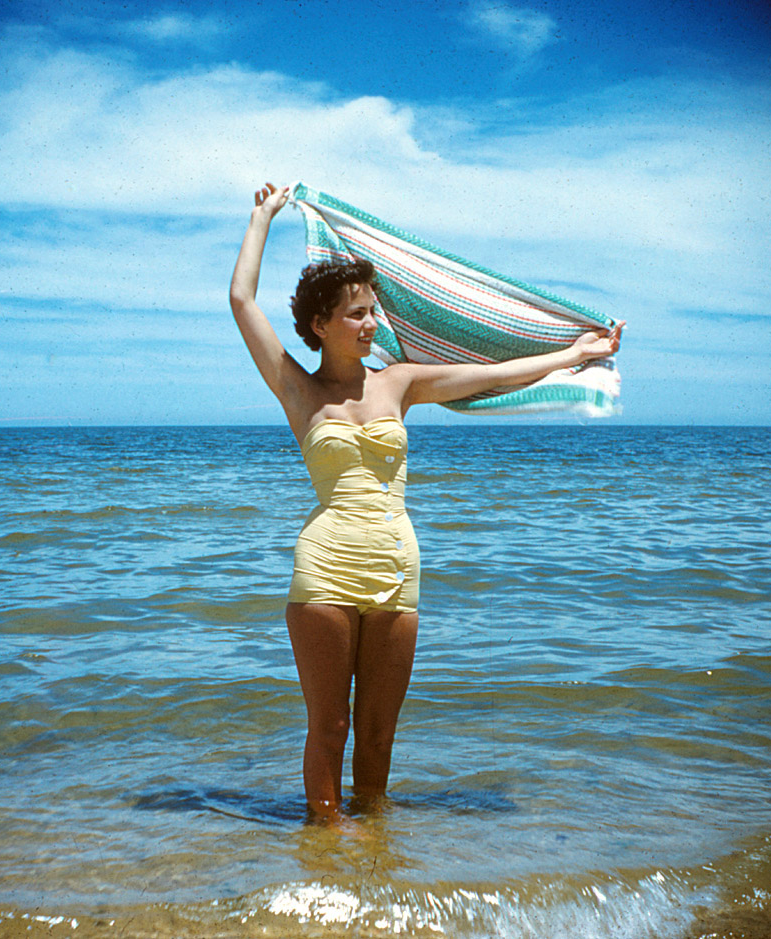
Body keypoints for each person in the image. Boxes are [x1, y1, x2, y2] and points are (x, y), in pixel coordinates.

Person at [229, 182, 623, 821]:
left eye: (373, 310)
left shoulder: (400, 383)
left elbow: (497, 375)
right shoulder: (297, 391)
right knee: (330, 726)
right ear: (318, 325)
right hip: (326, 568)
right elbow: (241, 299)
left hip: (397, 565)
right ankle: (325, 843)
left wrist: (575, 354)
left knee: (380, 734)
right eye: (355, 312)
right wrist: (262, 218)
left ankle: (374, 842)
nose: (370, 322)